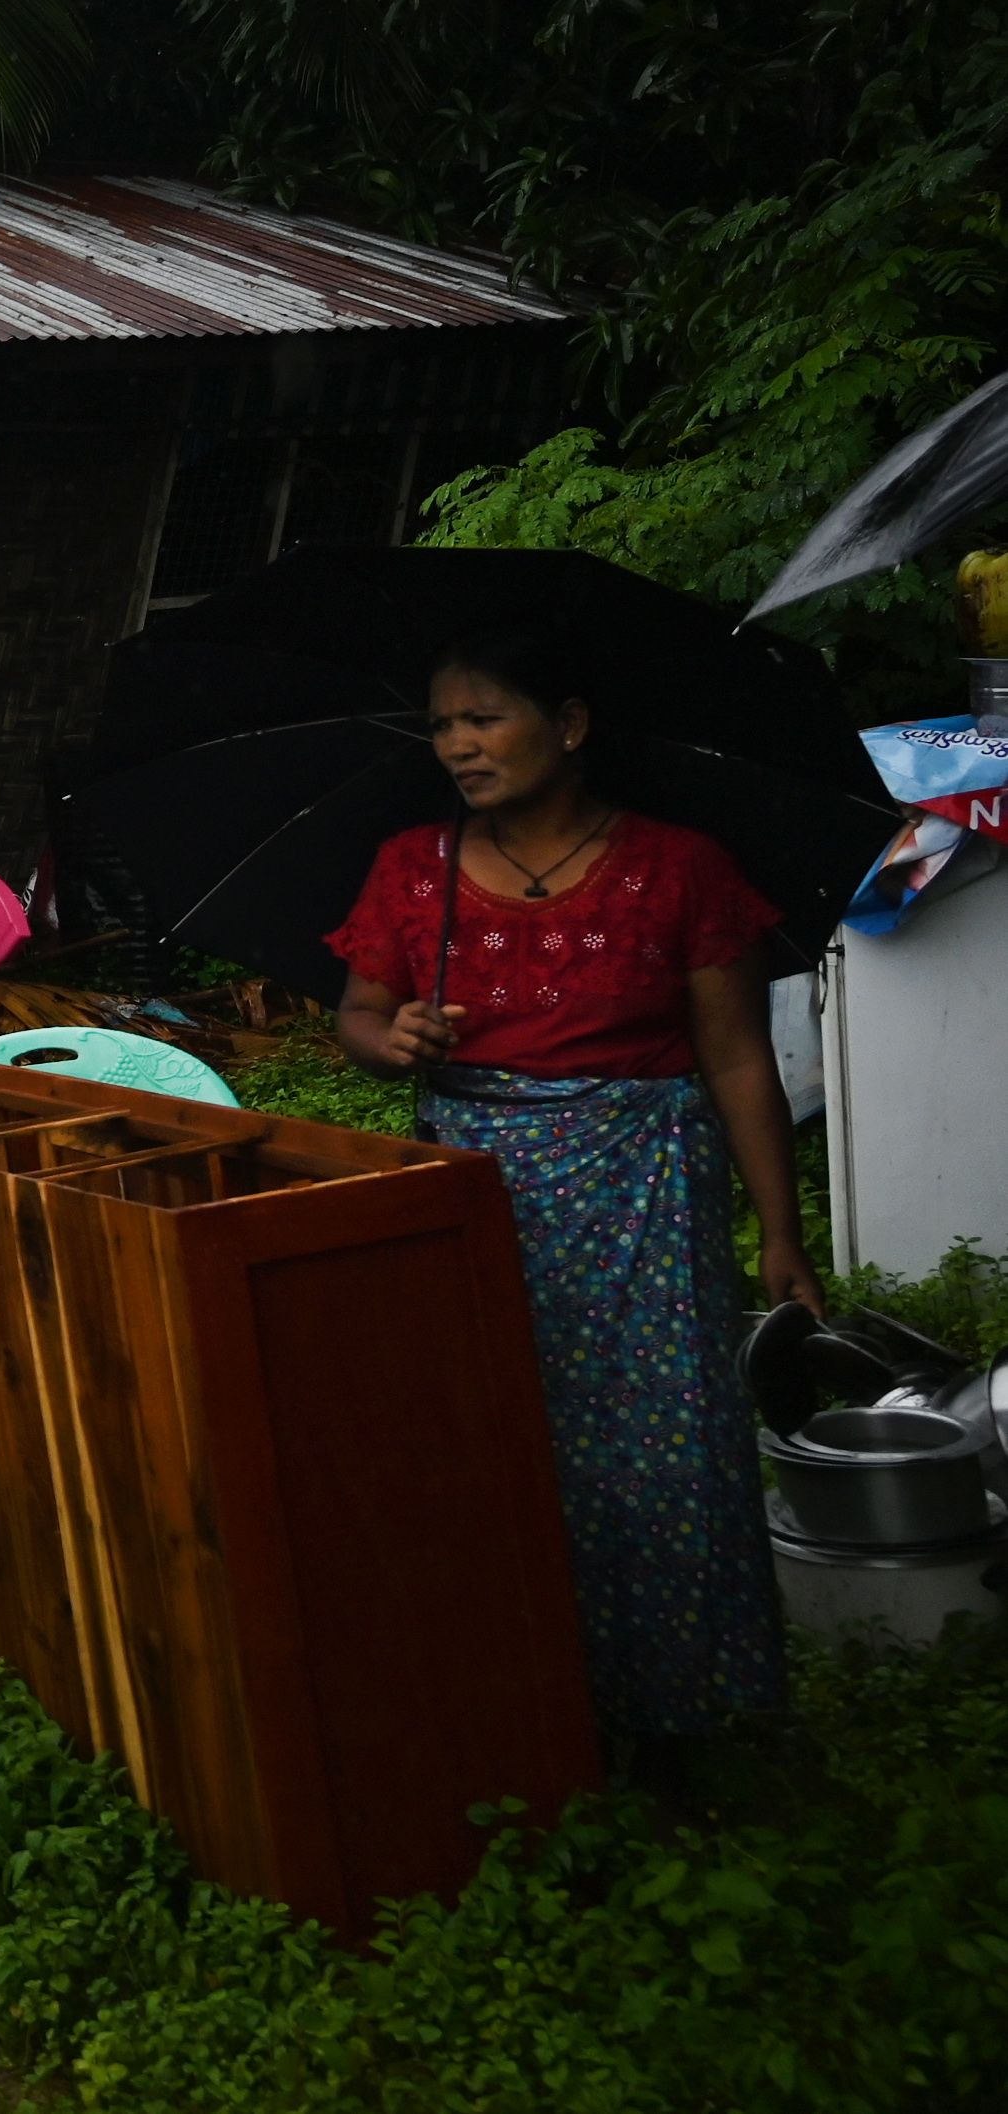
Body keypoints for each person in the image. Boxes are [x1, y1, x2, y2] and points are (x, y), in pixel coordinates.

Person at [326, 625, 814, 1761]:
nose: (458, 744)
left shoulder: (682, 866)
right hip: (475, 1184)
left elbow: (739, 1058)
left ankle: (687, 1711)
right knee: (494, 1430)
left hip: (645, 1183)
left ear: (572, 723)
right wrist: (385, 1036)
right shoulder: (413, 866)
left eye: (484, 715)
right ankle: (528, 1695)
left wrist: (781, 1232)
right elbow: (354, 1013)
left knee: (671, 1439)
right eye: (442, 723)